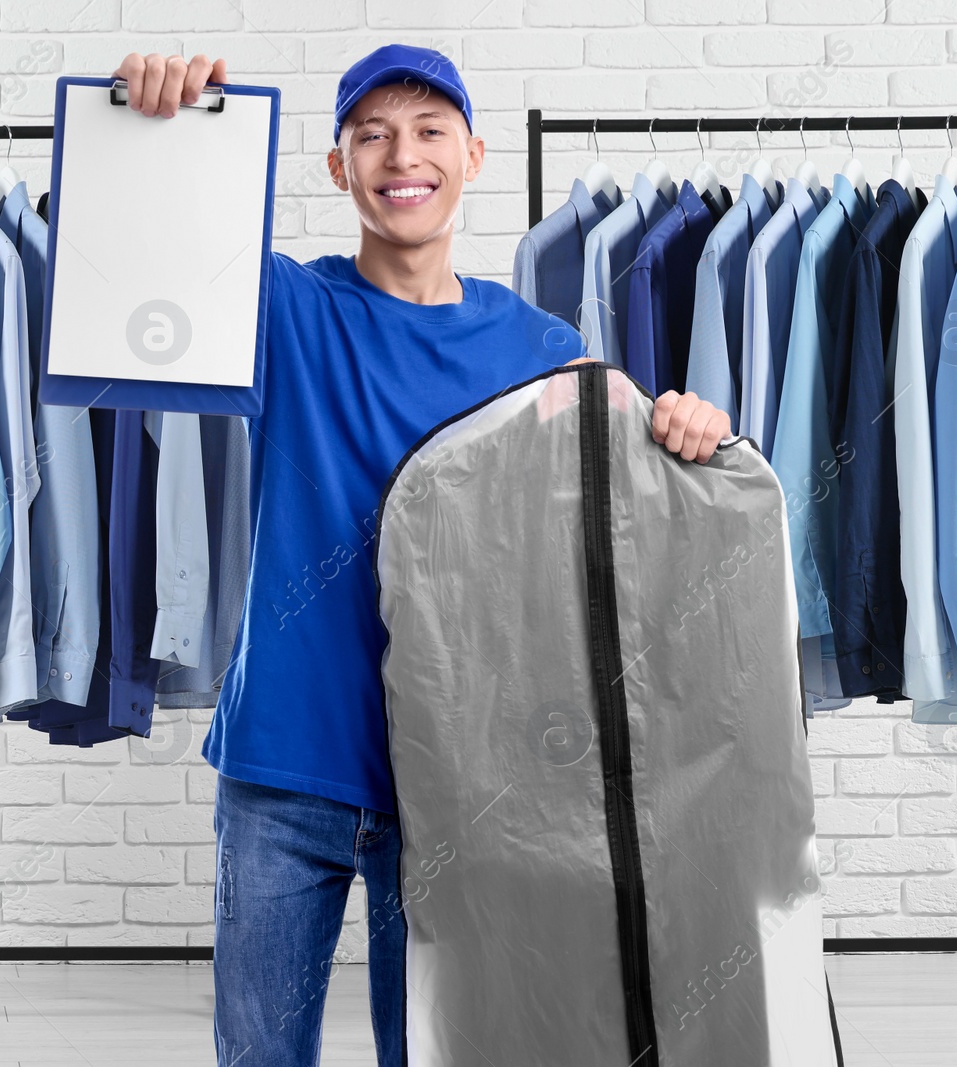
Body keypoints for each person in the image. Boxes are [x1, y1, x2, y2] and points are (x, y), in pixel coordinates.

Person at [112, 45, 732, 1067]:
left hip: (460, 776)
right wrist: (152, 135)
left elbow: (625, 521)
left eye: (429, 130)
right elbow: (148, 265)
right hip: (286, 765)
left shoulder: (541, 350)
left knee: (443, 1051)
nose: (403, 155)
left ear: (474, 154)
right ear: (337, 167)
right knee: (259, 1054)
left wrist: (689, 425)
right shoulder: (285, 310)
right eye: (373, 134)